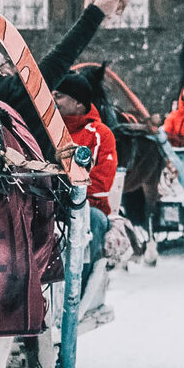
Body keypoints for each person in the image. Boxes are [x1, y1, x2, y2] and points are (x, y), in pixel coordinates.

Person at [0, 0, 129, 153]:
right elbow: (61, 57)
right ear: (1, 71)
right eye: (7, 63)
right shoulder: (17, 92)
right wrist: (96, 12)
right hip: (35, 175)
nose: (13, 68)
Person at [53, 70, 117, 326]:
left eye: (59, 96)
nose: (52, 100)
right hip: (48, 200)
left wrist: (66, 190)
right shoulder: (47, 129)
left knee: (95, 221)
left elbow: (102, 180)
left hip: (86, 204)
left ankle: (78, 296)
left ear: (78, 103)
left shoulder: (100, 133)